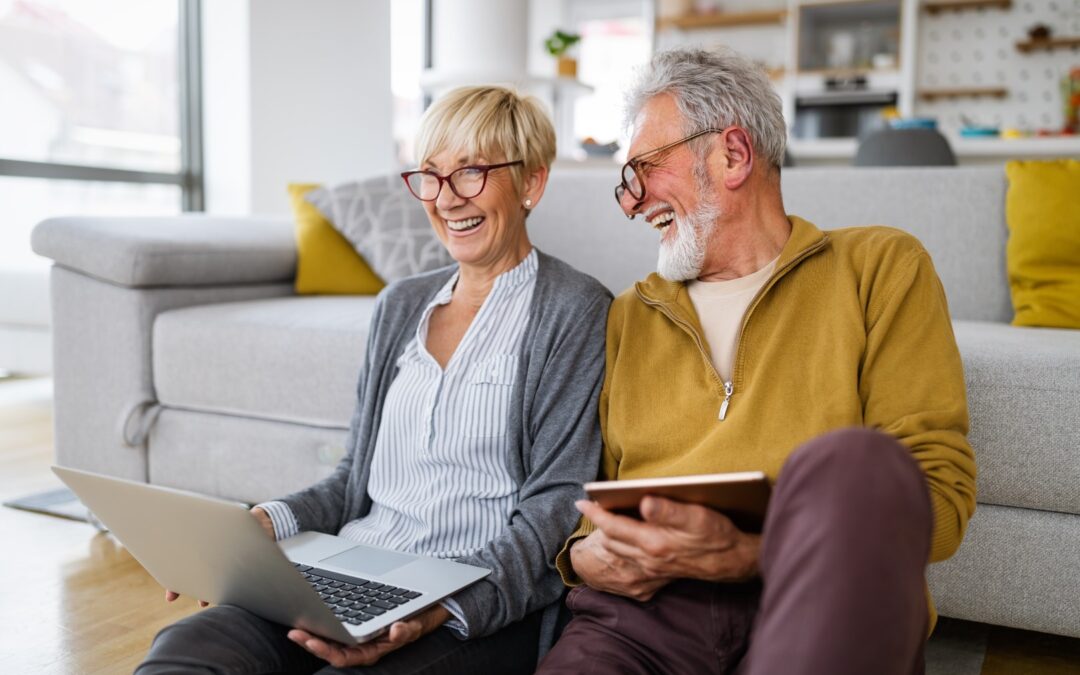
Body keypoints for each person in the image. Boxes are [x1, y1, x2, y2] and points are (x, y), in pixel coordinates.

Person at [137, 85, 612, 675]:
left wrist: (440, 608)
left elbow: (554, 514)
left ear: (531, 184)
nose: (445, 198)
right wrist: (261, 525)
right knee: (191, 650)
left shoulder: (576, 309)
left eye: (471, 173)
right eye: (431, 176)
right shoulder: (401, 304)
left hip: (474, 609)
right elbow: (351, 482)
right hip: (350, 571)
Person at [538, 48, 977, 675]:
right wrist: (585, 559)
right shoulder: (631, 314)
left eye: (643, 171)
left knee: (857, 462)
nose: (632, 203)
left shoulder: (879, 268)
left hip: (816, 595)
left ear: (733, 155)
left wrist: (752, 554)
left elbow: (937, 501)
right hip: (645, 618)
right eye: (625, 183)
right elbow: (595, 500)